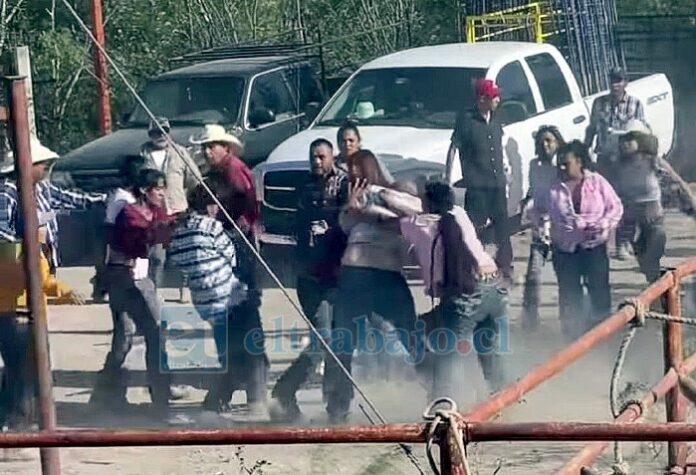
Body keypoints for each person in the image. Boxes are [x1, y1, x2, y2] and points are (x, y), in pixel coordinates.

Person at [324, 149, 420, 424]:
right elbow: (346, 224)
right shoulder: (355, 198)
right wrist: (353, 209)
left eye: (357, 167)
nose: (353, 174)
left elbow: (413, 210)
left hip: (386, 274)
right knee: (343, 342)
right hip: (354, 274)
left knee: (410, 335)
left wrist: (372, 211)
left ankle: (439, 391)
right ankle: (338, 408)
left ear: (371, 168)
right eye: (350, 169)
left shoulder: (391, 192)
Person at [401, 181, 508, 401]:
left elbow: (397, 212)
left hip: (465, 294)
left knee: (445, 355)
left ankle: (441, 406)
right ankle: (504, 397)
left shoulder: (419, 224)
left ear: (427, 202)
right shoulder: (460, 214)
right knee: (488, 350)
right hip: (493, 286)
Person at [191, 125, 268, 414]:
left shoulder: (235, 172)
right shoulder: (215, 176)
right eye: (205, 147)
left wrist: (231, 233)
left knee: (244, 326)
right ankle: (246, 393)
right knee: (234, 328)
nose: (207, 151)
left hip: (239, 257)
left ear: (226, 146)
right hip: (226, 257)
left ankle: (251, 395)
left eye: (212, 146)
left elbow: (250, 212)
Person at [270, 138, 348, 421]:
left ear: (332, 158)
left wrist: (332, 229)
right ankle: (285, 390)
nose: (317, 162)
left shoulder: (344, 186)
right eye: (313, 157)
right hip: (310, 276)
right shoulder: (304, 188)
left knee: (339, 342)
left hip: (338, 275)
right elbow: (298, 230)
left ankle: (336, 404)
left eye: (322, 157)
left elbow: (350, 224)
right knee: (324, 340)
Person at [168, 184, 259, 415]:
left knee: (225, 349)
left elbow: (177, 262)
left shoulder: (179, 231)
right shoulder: (212, 226)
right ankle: (217, 401)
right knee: (238, 352)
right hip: (227, 296)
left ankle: (221, 399)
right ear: (210, 206)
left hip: (202, 300)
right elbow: (231, 257)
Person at [103, 169, 173, 418]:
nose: (162, 193)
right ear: (145, 190)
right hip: (122, 278)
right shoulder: (128, 213)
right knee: (126, 338)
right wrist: (162, 229)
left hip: (142, 280)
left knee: (155, 334)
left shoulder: (154, 211)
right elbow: (142, 243)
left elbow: (163, 237)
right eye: (158, 188)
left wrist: (172, 224)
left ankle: (161, 395)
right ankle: (107, 393)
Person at [549, 141, 623, 340]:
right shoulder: (553, 187)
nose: (562, 168)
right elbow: (537, 209)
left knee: (599, 289)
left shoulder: (597, 182)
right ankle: (573, 336)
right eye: (560, 164)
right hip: (565, 250)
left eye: (566, 163)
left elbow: (615, 207)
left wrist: (604, 224)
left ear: (579, 162)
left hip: (595, 246)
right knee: (569, 293)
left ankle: (603, 333)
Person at [0, 136, 106, 274]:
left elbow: (72, 199)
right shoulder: (6, 192)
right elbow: (3, 234)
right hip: (20, 268)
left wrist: (105, 200)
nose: (44, 167)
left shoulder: (42, 188)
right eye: (41, 163)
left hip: (45, 261)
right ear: (28, 165)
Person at [448, 78, 513, 282]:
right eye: (494, 96)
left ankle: (505, 265)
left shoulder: (495, 118)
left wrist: (507, 171)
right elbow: (454, 148)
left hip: (497, 183)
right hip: (477, 185)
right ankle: (470, 265)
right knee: (473, 229)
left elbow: (499, 146)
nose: (497, 99)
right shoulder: (466, 121)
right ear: (482, 98)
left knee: (503, 227)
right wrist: (448, 176)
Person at [584, 67, 648, 260]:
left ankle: (622, 243)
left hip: (626, 161)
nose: (615, 84)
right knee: (601, 204)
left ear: (626, 83)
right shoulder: (599, 104)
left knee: (627, 204)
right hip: (605, 159)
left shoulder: (635, 105)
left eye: (619, 80)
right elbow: (592, 130)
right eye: (612, 80)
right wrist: (584, 152)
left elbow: (642, 131)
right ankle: (600, 243)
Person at [141, 117, 203, 299]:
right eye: (156, 132)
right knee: (157, 256)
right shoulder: (142, 154)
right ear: (150, 134)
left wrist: (186, 198)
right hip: (153, 213)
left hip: (178, 210)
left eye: (163, 131)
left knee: (184, 252)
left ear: (169, 132)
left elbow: (195, 179)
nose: (160, 135)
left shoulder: (181, 152)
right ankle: (154, 291)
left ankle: (184, 289)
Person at [519, 126, 565, 331]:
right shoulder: (534, 165)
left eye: (549, 141)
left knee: (565, 277)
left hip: (563, 229)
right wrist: (526, 204)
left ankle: (569, 319)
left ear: (557, 143)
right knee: (533, 275)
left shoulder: (564, 166)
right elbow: (533, 189)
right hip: (540, 228)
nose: (545, 145)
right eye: (541, 142)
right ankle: (530, 320)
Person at [615, 122, 667, 283]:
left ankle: (662, 293)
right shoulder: (619, 165)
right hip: (632, 219)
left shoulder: (653, 161)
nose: (624, 143)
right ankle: (658, 293)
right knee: (645, 263)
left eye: (629, 139)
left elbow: (676, 183)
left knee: (652, 258)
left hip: (653, 217)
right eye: (622, 139)